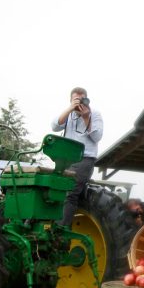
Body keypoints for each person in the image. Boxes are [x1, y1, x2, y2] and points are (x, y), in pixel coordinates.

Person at [51, 87, 103, 227]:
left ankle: (59, 231)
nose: (79, 102)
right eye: (76, 99)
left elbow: (97, 137)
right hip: (65, 160)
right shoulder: (69, 115)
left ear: (87, 100)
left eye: (82, 99)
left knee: (69, 193)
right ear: (71, 100)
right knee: (54, 191)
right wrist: (70, 109)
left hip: (84, 159)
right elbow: (54, 127)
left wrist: (86, 118)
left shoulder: (94, 114)